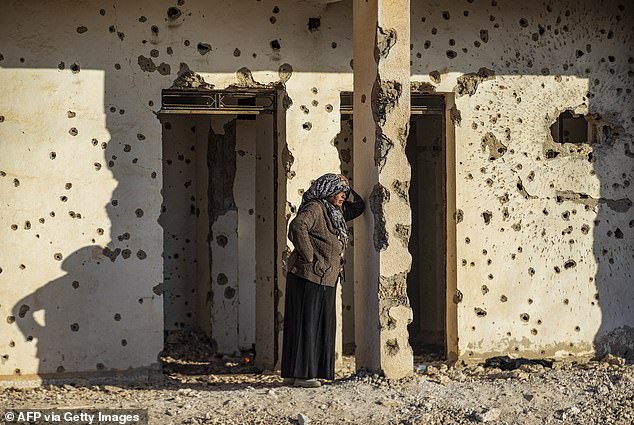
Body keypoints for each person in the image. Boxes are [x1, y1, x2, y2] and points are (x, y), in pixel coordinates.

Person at [281, 173, 365, 388]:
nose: (343, 196)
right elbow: (297, 227)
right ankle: (304, 375)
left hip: (323, 277)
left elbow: (359, 207)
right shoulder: (316, 208)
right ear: (327, 191)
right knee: (307, 323)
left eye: (344, 193)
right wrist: (309, 256)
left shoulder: (334, 212)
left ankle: (296, 373)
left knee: (315, 324)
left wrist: (347, 185)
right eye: (339, 192)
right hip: (308, 276)